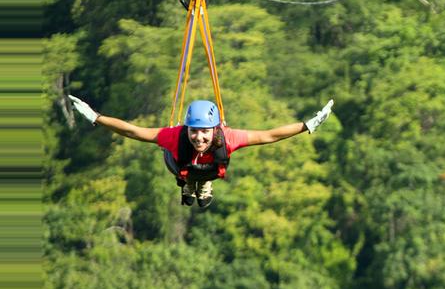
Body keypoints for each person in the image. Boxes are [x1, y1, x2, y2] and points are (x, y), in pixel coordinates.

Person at [67, 95, 333, 209]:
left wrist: (307, 126)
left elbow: (269, 135)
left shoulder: (226, 137)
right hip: (179, 164)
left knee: (206, 168)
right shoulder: (176, 136)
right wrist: (96, 117)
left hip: (209, 170)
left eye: (205, 131)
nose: (199, 137)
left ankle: (201, 185)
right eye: (194, 131)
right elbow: (134, 131)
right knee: (184, 163)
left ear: (214, 129)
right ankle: (189, 184)